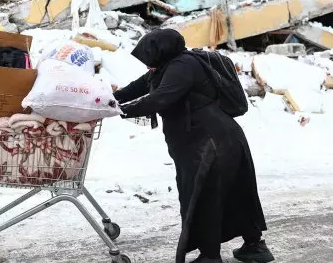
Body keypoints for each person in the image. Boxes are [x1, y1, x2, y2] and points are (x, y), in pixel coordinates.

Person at [113, 29, 274, 263]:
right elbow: (135, 88)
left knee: (203, 196)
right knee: (233, 192)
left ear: (161, 51)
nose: (147, 63)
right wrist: (105, 101)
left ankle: (210, 256)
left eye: (149, 56)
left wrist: (121, 110)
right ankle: (254, 247)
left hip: (210, 142)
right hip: (215, 139)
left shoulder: (183, 66)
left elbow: (160, 99)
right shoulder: (164, 68)